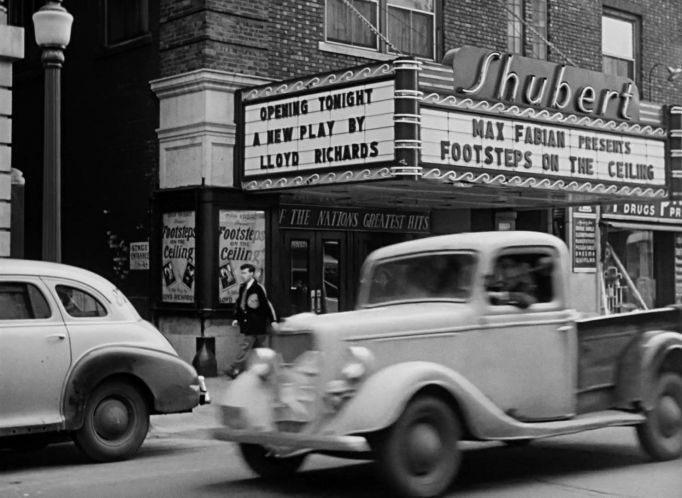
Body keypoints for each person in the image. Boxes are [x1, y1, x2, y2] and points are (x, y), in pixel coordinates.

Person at [227, 263, 278, 378]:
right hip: (248, 323)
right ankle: (264, 371)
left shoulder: (258, 288)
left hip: (257, 324)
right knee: (259, 349)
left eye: (245, 273)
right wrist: (236, 318)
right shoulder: (242, 287)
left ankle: (234, 368)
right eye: (241, 273)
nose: (242, 275)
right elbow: (240, 304)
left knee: (247, 347)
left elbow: (266, 305)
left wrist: (273, 320)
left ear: (251, 274)